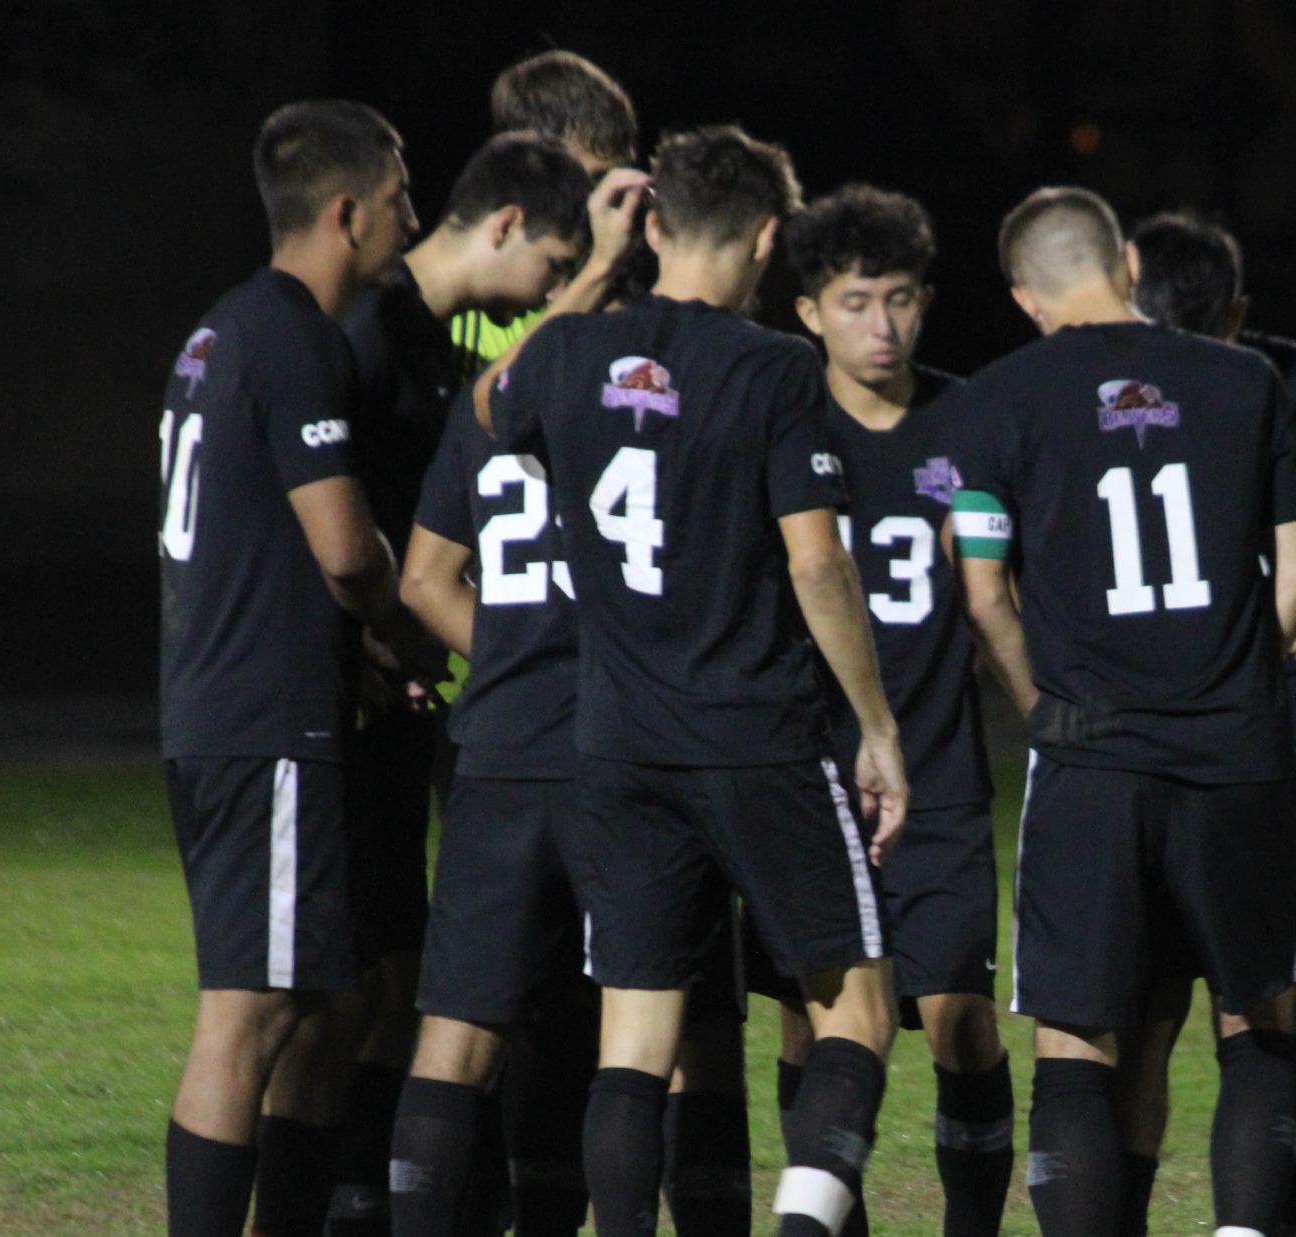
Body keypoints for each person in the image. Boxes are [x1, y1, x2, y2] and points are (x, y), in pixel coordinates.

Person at [474, 123, 906, 1237]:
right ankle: (806, 1226)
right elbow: (816, 560)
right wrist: (876, 728)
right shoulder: (770, 368)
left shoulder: (569, 355)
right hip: (756, 732)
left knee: (635, 1037)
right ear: (768, 237)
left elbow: (490, 401)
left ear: (652, 223)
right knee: (858, 1006)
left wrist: (600, 275)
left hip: (616, 742)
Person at [951, 186, 1296, 1237]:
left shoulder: (995, 397)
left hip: (1089, 758)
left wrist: (1045, 707)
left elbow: (981, 591)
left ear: (1026, 297)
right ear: (1125, 261)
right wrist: (1223, 680)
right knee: (1257, 1019)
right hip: (1237, 753)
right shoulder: (1246, 380)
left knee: (1076, 1045)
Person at [312, 128, 605, 1237]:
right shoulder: (376, 341)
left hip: (454, 710)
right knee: (383, 990)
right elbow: (338, 537)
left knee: (426, 994)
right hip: (399, 702)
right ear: (508, 229)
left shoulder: (437, 359)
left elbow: (420, 559)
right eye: (553, 264)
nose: (546, 293)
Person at [155, 99, 427, 1237]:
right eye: (403, 198)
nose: (412, 220)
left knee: (325, 1001)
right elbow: (343, 546)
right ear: (347, 210)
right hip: (263, 723)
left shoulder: (222, 328)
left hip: (236, 706)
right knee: (252, 1012)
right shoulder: (299, 336)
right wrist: (409, 630)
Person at [781, 183, 1012, 1237]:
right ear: (808, 311)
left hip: (942, 773)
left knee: (959, 1019)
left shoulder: (969, 420)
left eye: (903, 298)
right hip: (809, 772)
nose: (883, 325)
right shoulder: (786, 424)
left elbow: (1000, 585)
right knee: (815, 1026)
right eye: (857, 300)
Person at [1125, 210, 1296, 1237]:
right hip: (1169, 740)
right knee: (1153, 1008)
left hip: (1278, 739)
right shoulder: (1106, 401)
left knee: (1279, 1005)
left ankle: (1283, 1223)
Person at [451, 50, 642, 368]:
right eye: (592, 180)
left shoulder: (623, 292)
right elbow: (485, 406)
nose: (609, 202)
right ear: (532, 165)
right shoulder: (465, 315)